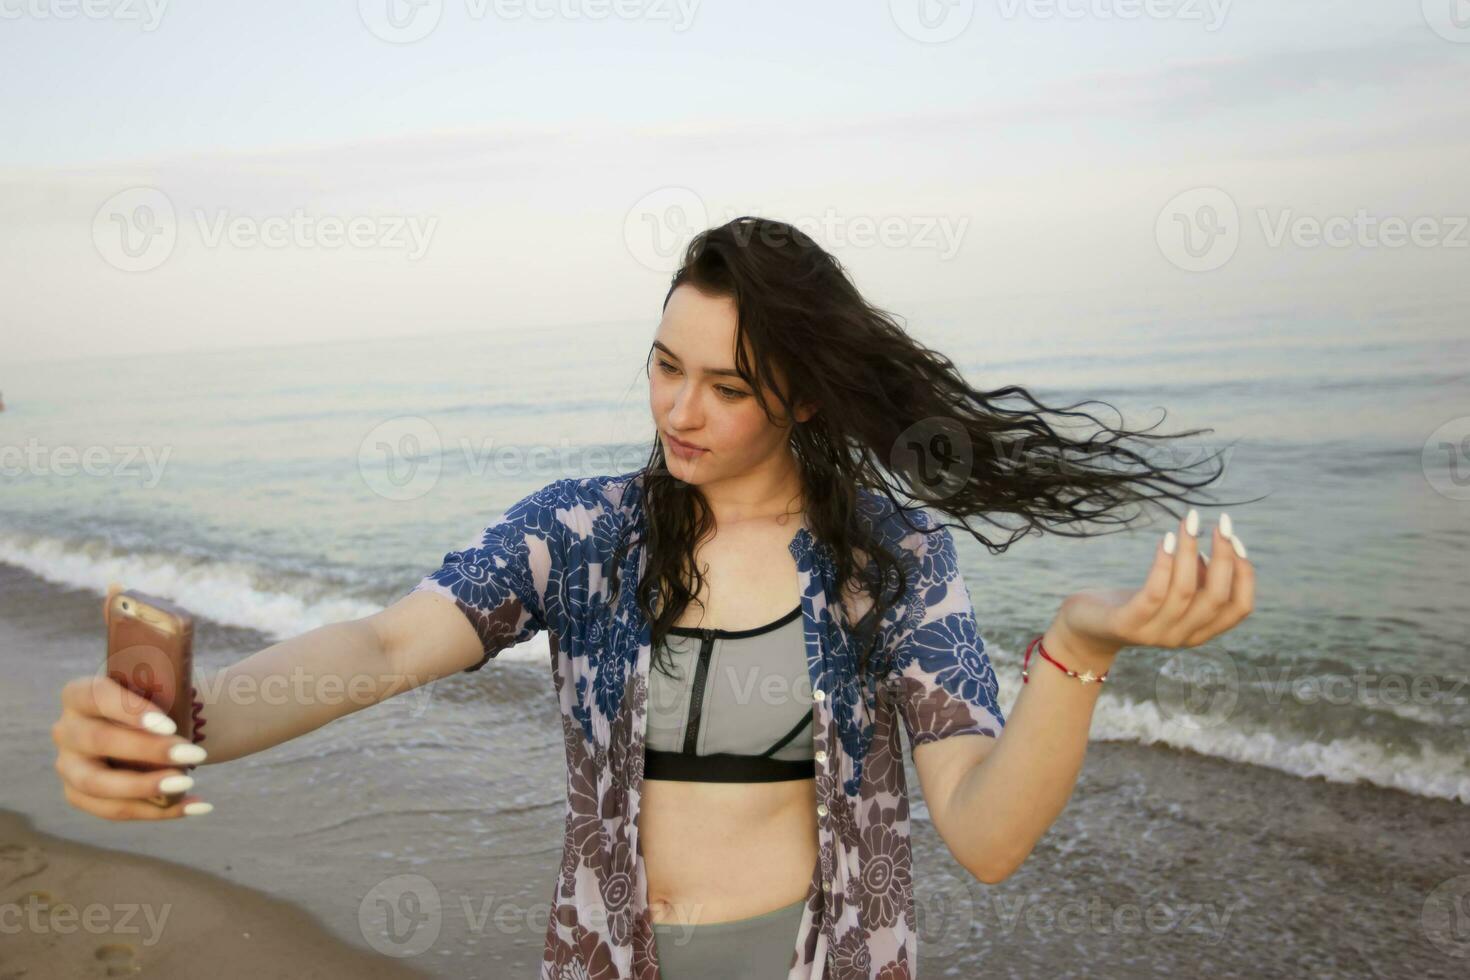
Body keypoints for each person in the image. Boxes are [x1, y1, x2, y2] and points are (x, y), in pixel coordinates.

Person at [51, 216, 1257, 979]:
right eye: (665, 365)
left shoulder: (891, 554)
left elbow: (986, 836)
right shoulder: (585, 532)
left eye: (724, 386)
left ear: (801, 398)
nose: (679, 409)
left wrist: (1077, 647)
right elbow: (381, 642)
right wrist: (187, 723)